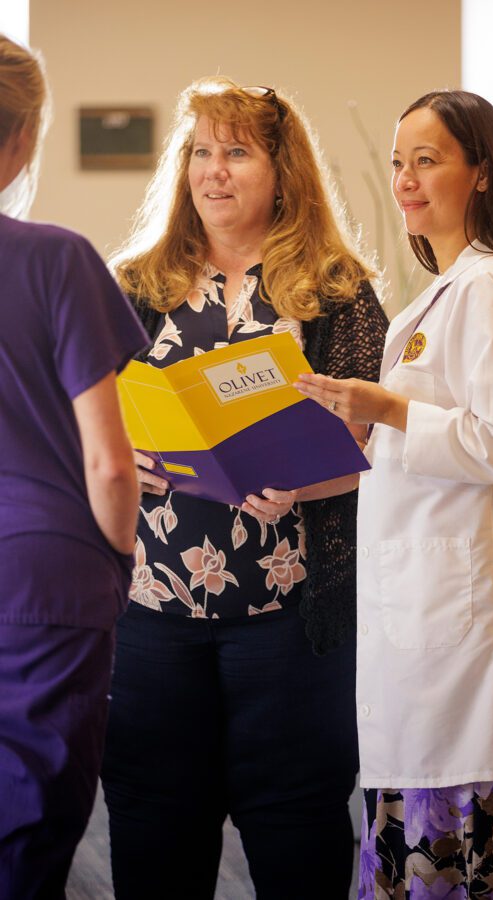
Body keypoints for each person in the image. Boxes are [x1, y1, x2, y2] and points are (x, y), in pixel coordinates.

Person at [100, 77, 388, 900]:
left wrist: (300, 485)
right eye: (200, 153)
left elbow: (370, 443)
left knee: (296, 828)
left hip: (291, 619)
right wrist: (127, 448)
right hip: (152, 610)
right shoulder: (137, 283)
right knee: (155, 825)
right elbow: (90, 417)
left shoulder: (337, 290)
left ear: (283, 171)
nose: (213, 172)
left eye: (236, 152)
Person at [296, 90, 493, 899]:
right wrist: (329, 457)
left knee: (461, 875)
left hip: (469, 658)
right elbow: (421, 451)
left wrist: (381, 406)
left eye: (428, 160)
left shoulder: (488, 288)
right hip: (425, 646)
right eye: (397, 162)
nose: (407, 180)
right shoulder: (435, 299)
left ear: (481, 172)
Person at [0, 34, 149, 900]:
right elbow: (111, 461)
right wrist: (117, 561)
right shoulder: (56, 258)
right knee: (31, 828)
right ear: (23, 139)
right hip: (46, 578)